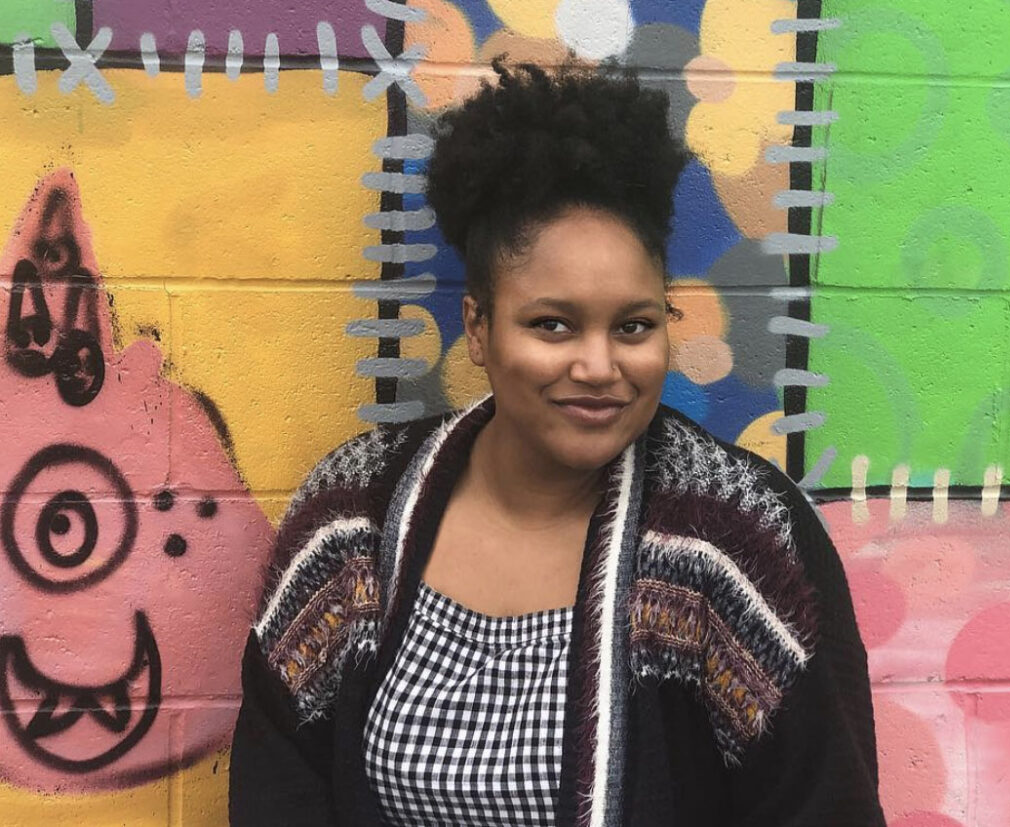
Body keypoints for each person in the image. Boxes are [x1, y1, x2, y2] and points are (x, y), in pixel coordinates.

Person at [229, 60, 886, 826]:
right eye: (553, 324)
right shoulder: (352, 522)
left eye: (634, 326)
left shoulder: (734, 537)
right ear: (478, 327)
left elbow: (823, 800)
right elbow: (279, 787)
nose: (600, 367)